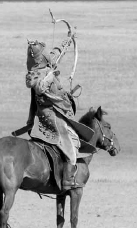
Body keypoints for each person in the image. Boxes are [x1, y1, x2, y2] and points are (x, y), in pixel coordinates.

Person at [24, 39, 89, 191]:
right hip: (52, 116)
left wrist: (67, 40)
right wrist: (50, 76)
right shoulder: (41, 75)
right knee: (71, 148)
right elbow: (40, 88)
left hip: (51, 113)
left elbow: (55, 53)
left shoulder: (42, 68)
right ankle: (67, 181)